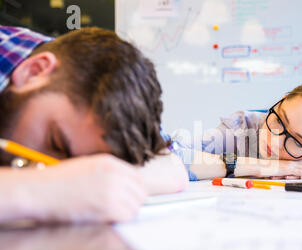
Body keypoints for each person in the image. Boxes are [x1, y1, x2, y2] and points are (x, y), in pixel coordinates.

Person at [0, 26, 188, 224]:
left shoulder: (94, 84)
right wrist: (42, 190)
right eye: (55, 142)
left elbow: (172, 167)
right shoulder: (64, 70)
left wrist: (100, 180)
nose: (45, 166)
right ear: (34, 71)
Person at [174, 81, 302, 180]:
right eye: (279, 120)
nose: (275, 140)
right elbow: (166, 156)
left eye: (297, 142)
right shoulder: (240, 129)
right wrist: (270, 167)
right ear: (282, 100)